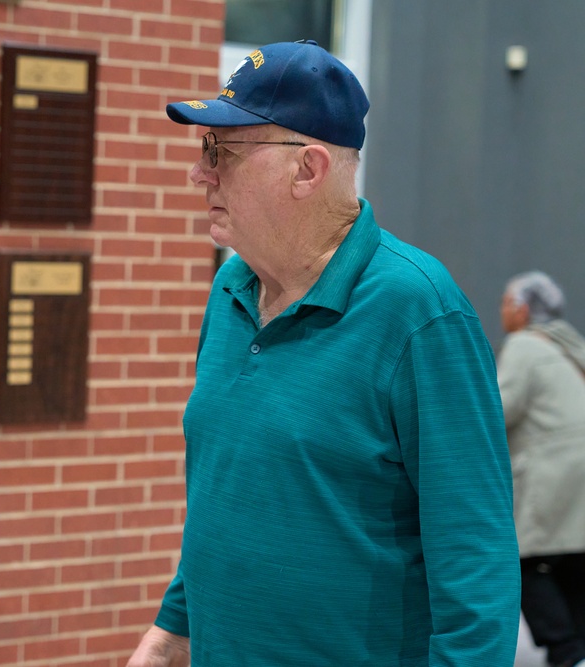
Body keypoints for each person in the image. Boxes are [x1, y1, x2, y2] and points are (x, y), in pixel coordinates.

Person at [126, 40, 520, 666]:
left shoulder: (419, 310)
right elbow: (226, 493)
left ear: (306, 169)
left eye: (220, 151)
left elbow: (475, 559)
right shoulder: (231, 289)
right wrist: (174, 627)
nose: (199, 173)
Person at [497, 271, 585, 667]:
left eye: (505, 303)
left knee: (525, 561)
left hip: (551, 477)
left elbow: (498, 410)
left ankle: (565, 651)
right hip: (578, 481)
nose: (502, 312)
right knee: (573, 561)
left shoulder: (524, 346)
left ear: (523, 309)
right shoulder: (572, 347)